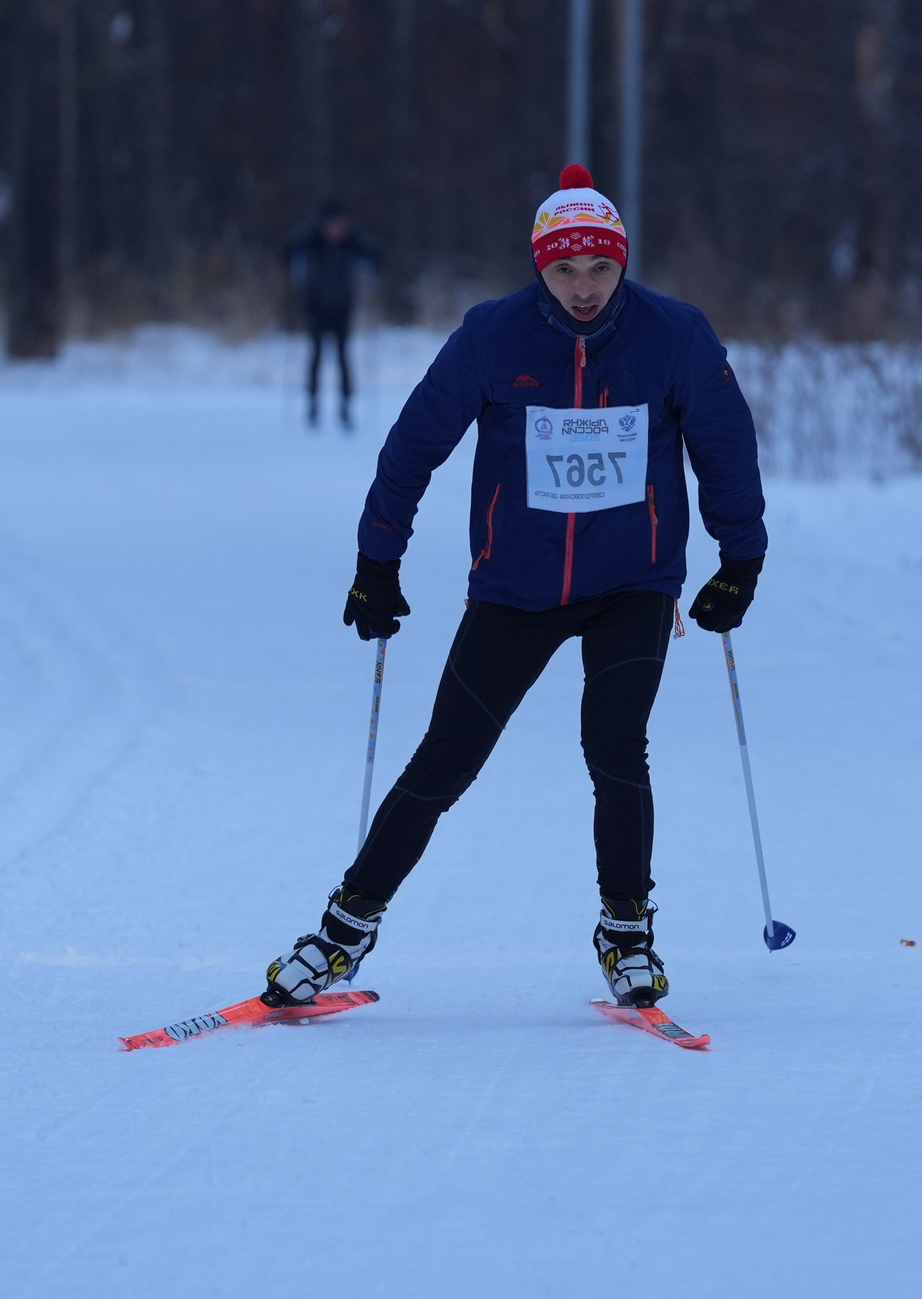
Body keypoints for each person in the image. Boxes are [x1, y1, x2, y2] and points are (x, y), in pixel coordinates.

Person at [262, 164, 768, 1012]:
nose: (583, 288)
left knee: (615, 744)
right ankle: (344, 926)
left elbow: (726, 446)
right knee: (445, 759)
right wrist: (375, 562)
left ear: (623, 263)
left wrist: (740, 560)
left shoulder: (674, 334)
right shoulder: (492, 334)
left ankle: (626, 926)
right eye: (564, 269)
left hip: (631, 583)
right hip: (514, 586)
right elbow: (414, 444)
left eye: (600, 268)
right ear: (538, 265)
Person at [286, 203, 378, 429]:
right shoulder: (311, 242)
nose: (335, 231)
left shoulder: (352, 243)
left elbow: (376, 258)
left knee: (343, 357)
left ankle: (345, 407)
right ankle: (313, 406)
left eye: (340, 225)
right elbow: (287, 253)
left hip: (342, 308)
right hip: (315, 308)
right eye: (331, 226)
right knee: (316, 356)